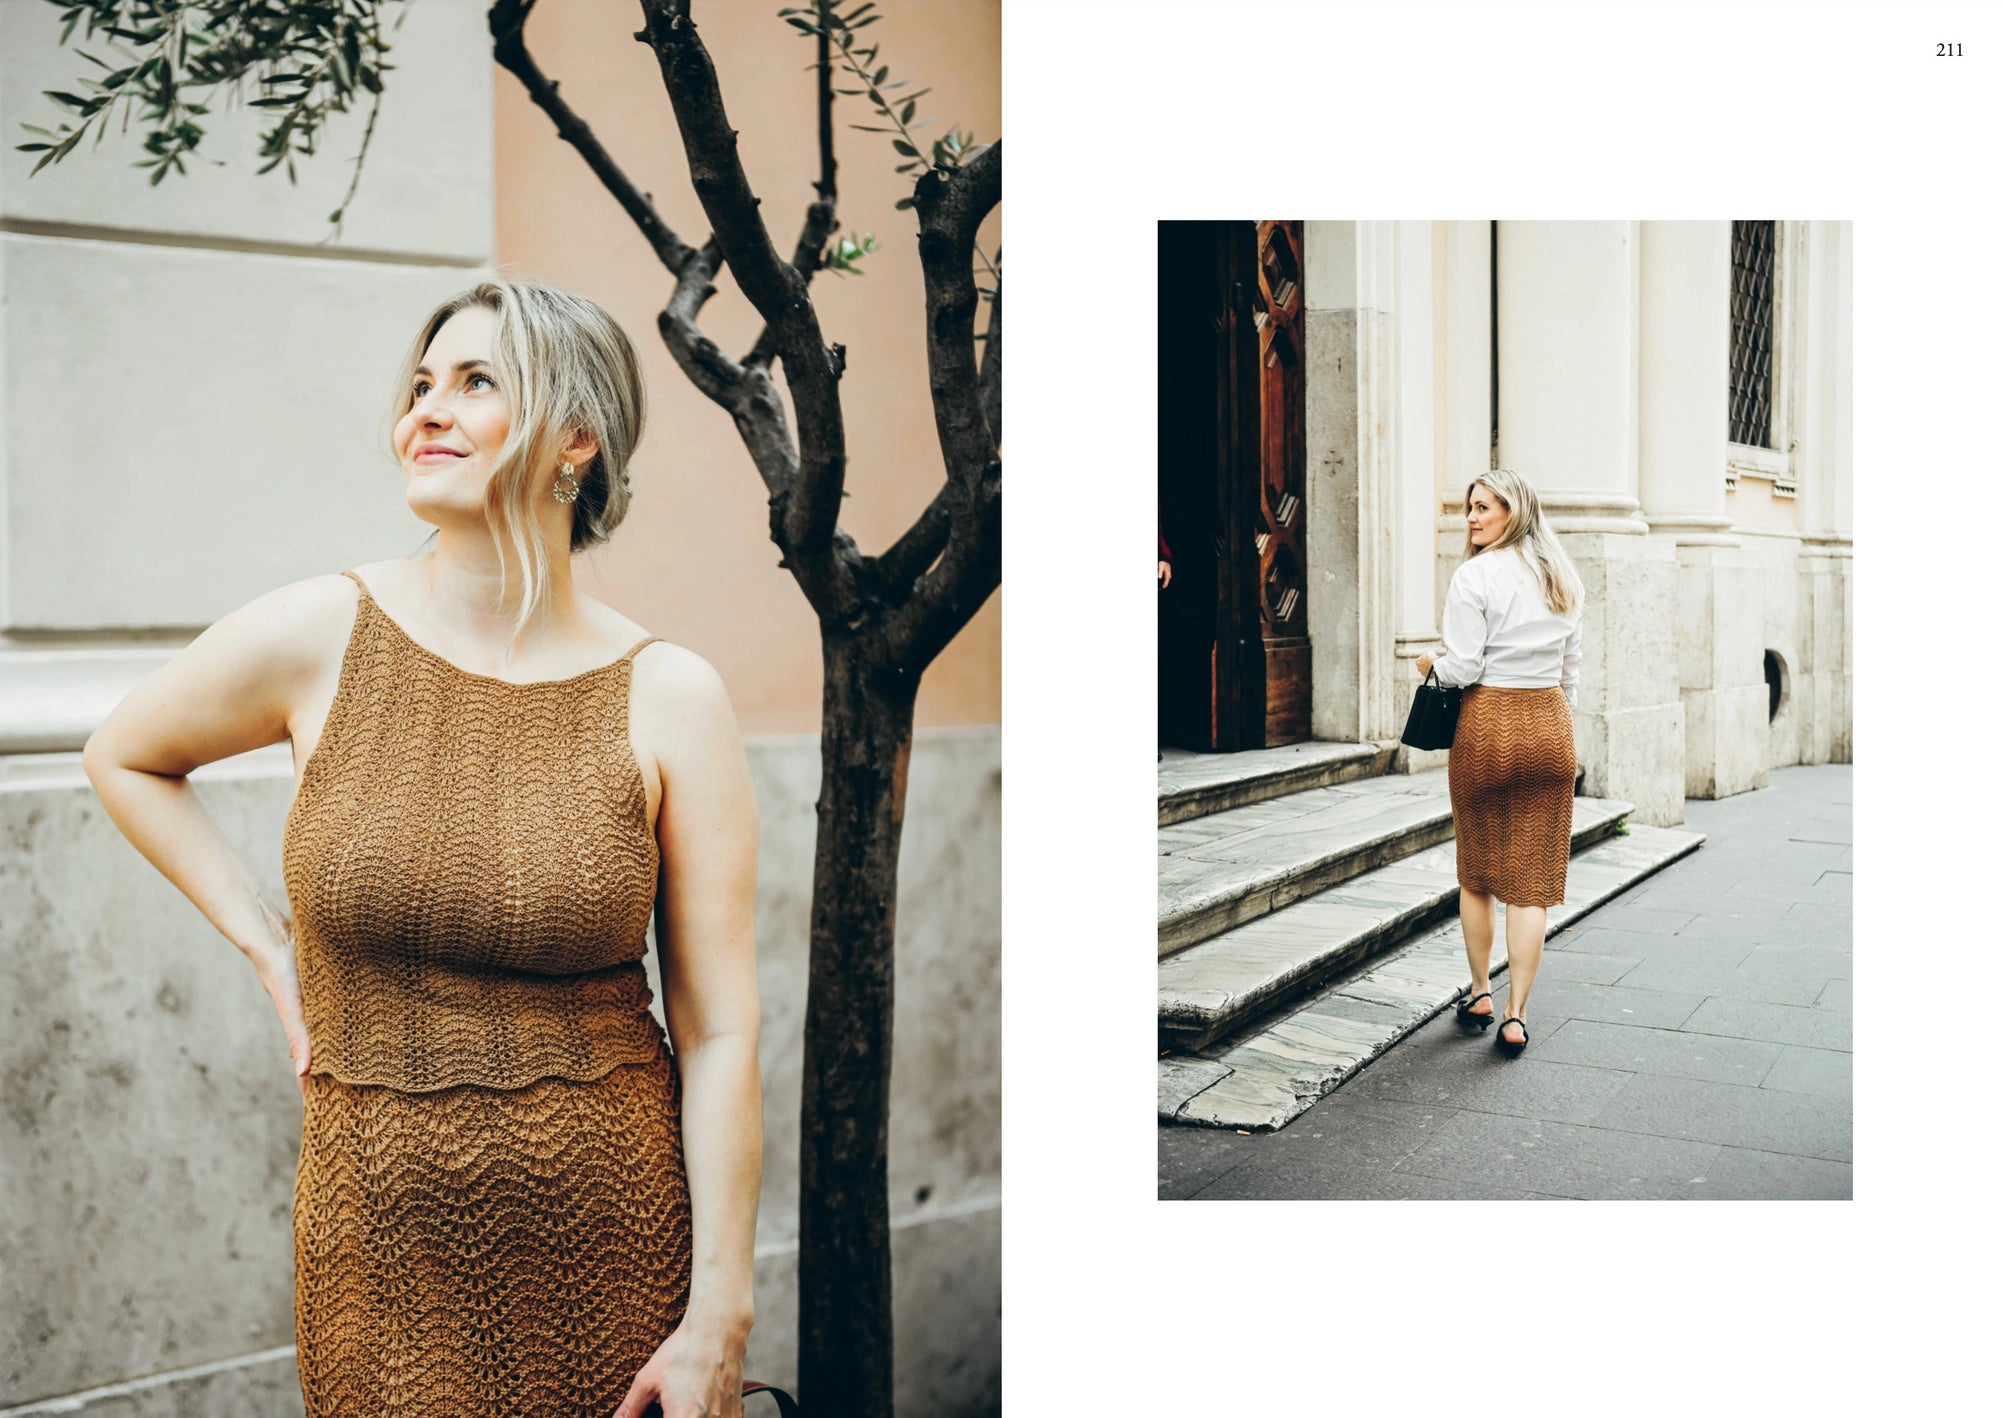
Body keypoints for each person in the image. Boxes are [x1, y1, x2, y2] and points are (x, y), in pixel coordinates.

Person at [83, 280, 762, 1418]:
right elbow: (125, 754)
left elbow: (721, 1027)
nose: (424, 413)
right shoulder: (322, 632)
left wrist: (718, 1317)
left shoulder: (670, 695)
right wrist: (268, 946)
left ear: (577, 438)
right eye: (419, 385)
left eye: (475, 381)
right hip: (378, 1256)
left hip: (614, 1246)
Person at [1416, 468, 1583, 1058]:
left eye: (1484, 507)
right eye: (1470, 507)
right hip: (1550, 723)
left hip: (1488, 723)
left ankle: (1481, 993)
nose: (1471, 517)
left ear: (1514, 510)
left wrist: (1429, 666)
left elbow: (1463, 667)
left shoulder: (1475, 575)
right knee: (1531, 885)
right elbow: (1570, 673)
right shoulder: (1562, 576)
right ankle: (1518, 1015)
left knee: (1479, 874)